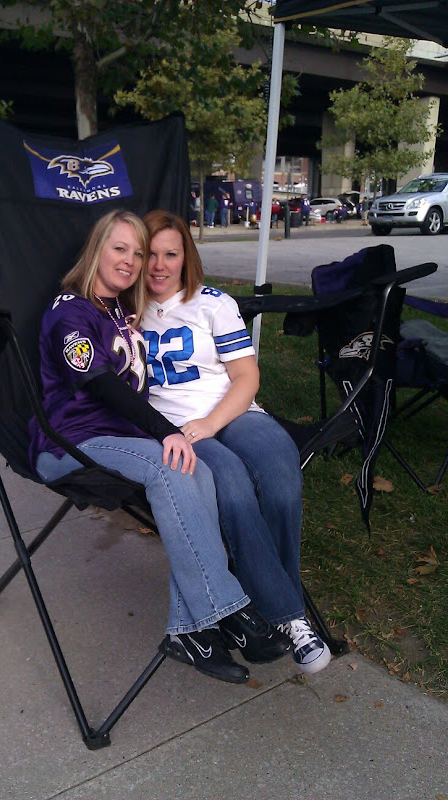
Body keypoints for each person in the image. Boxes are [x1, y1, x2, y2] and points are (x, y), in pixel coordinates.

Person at [29, 209, 289, 685]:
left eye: (137, 252)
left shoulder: (119, 310)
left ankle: (189, 631)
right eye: (120, 249)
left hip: (122, 437)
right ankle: (229, 610)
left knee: (195, 469)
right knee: (173, 465)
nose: (131, 261)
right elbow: (102, 383)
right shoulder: (71, 311)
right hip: (71, 440)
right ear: (97, 250)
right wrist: (164, 429)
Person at [140, 209, 332, 675]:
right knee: (231, 484)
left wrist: (212, 422)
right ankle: (291, 617)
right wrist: (195, 429)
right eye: (150, 254)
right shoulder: (126, 309)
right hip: (176, 428)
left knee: (280, 470)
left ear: (186, 257)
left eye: (171, 254)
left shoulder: (213, 303)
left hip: (234, 410)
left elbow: (247, 377)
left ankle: (273, 605)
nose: (160, 266)